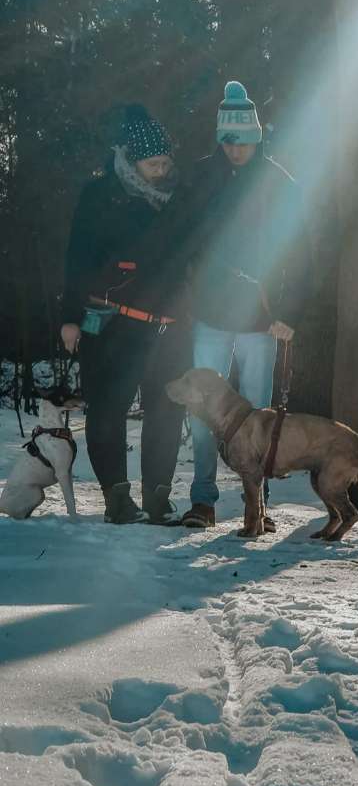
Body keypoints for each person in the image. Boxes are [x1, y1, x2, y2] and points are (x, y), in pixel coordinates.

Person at [179, 81, 311, 529]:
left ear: (259, 138)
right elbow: (183, 242)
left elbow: (301, 251)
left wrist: (288, 311)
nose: (238, 151)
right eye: (230, 143)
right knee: (202, 409)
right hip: (211, 316)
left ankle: (258, 508)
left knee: (258, 416)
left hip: (261, 320)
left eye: (247, 142)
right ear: (220, 140)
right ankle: (203, 501)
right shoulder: (199, 179)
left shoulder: (280, 182)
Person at [60, 105, 190, 524]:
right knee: (108, 406)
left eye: (166, 162)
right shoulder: (100, 195)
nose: (162, 170)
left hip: (168, 325)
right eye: (154, 164)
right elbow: (77, 258)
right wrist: (69, 316)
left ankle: (157, 497)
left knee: (167, 408)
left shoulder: (176, 200)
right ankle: (116, 497)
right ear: (132, 162)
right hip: (111, 320)